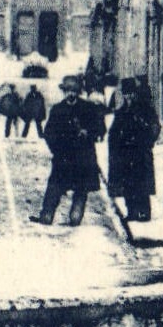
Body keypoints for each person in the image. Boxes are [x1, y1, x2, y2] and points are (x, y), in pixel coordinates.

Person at [32, 72, 107, 226]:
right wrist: (56, 148)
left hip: (83, 158)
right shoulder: (57, 110)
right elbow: (48, 133)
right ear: (64, 91)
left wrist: (89, 132)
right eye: (68, 91)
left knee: (81, 189)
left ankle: (76, 215)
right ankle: (46, 215)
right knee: (54, 187)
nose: (71, 94)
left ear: (78, 92)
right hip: (63, 157)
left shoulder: (89, 108)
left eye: (74, 91)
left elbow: (100, 129)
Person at [107, 77, 161, 221]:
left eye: (131, 93)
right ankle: (131, 211)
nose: (129, 96)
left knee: (141, 183)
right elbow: (113, 133)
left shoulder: (146, 110)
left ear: (136, 94)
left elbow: (155, 127)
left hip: (140, 153)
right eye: (126, 94)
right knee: (127, 184)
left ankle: (144, 212)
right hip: (125, 154)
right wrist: (115, 149)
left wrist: (148, 142)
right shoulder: (121, 112)